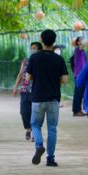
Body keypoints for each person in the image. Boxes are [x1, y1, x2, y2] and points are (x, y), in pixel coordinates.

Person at [26, 29, 69, 167]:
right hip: (53, 98)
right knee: (52, 128)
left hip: (38, 97)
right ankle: (50, 158)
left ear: (41, 40)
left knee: (35, 124)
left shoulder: (34, 58)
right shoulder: (59, 59)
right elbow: (65, 80)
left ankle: (39, 146)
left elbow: (28, 77)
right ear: (54, 41)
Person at [13, 41, 43, 141]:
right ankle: (28, 128)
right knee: (23, 111)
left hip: (37, 90)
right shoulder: (25, 61)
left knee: (35, 112)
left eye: (34, 48)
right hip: (25, 89)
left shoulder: (42, 60)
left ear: (39, 50)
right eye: (31, 48)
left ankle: (35, 133)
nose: (32, 49)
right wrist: (15, 87)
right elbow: (20, 74)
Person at [71, 35, 88, 117]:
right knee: (78, 93)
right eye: (81, 40)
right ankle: (76, 111)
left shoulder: (82, 51)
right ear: (78, 42)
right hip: (79, 75)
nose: (83, 41)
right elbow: (84, 45)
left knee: (81, 92)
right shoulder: (78, 49)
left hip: (82, 74)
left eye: (83, 39)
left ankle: (79, 109)